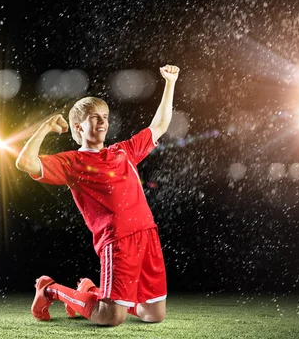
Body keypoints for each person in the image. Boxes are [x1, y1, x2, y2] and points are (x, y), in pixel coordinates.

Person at [15, 65, 180, 327]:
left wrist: (170, 83)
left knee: (154, 315)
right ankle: (50, 289)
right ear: (78, 127)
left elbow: (159, 125)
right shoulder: (73, 162)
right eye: (95, 117)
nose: (103, 121)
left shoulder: (123, 151)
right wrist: (45, 128)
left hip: (148, 234)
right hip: (117, 242)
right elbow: (25, 163)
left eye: (105, 116)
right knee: (110, 318)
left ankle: (91, 292)